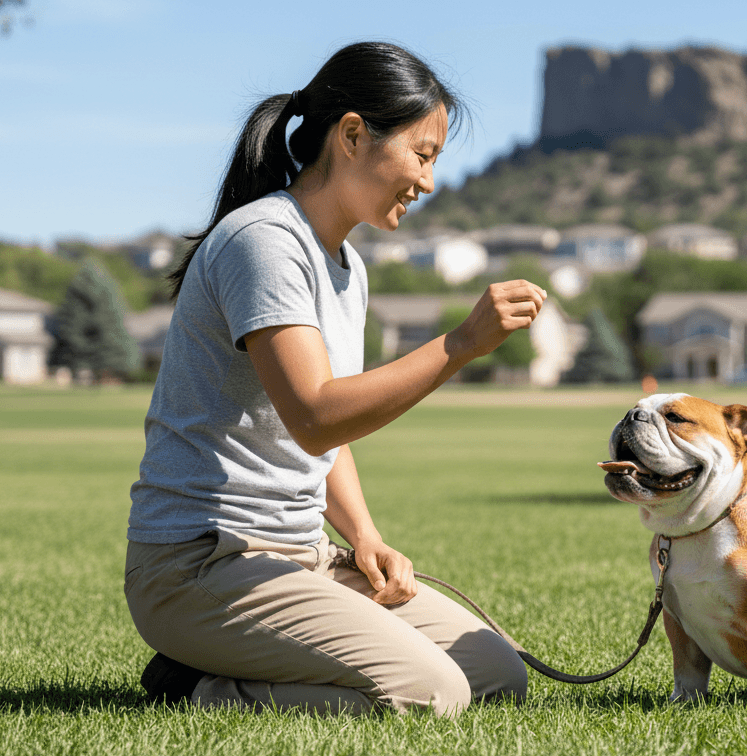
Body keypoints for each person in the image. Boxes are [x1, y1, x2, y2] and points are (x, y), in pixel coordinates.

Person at [124, 41, 542, 717]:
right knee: (434, 694)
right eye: (423, 153)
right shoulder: (263, 241)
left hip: (299, 557)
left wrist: (365, 536)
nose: (429, 181)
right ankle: (197, 686)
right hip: (201, 568)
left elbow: (323, 436)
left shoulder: (345, 264)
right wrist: (461, 344)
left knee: (495, 672)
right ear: (352, 135)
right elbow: (315, 414)